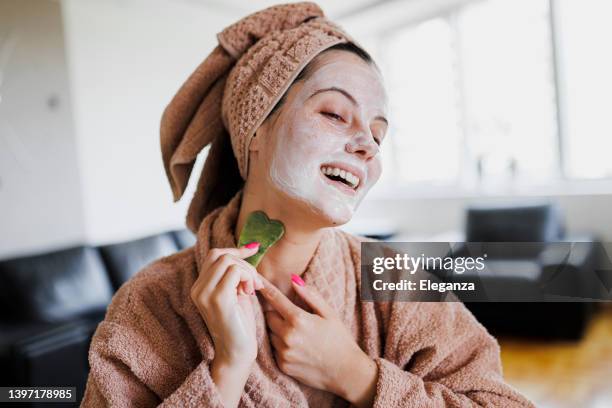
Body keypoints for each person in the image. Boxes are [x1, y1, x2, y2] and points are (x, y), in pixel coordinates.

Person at [82, 2, 534, 407]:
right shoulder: (151, 306)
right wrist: (227, 371)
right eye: (335, 114)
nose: (368, 147)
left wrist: (355, 376)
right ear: (255, 129)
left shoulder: (397, 284)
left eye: (378, 134)